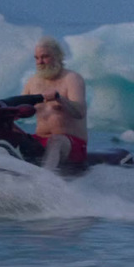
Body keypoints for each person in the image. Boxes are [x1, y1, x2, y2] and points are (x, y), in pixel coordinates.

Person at [21, 36, 87, 170]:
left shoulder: (72, 78)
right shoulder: (32, 82)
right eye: (37, 58)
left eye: (45, 57)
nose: (40, 62)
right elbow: (19, 109)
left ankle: (44, 181)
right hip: (40, 139)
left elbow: (80, 112)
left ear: (58, 56)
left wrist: (59, 99)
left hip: (70, 143)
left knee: (56, 140)